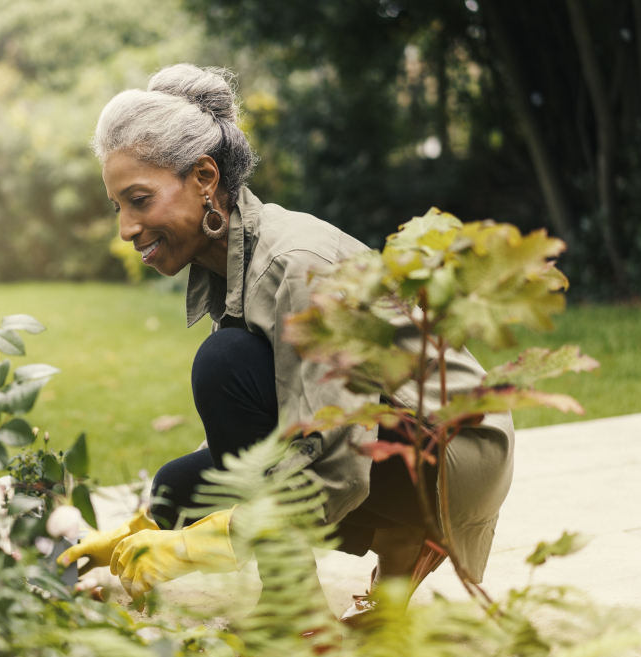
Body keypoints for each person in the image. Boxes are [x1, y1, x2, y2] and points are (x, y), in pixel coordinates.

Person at [59, 64, 514, 624]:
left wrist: (198, 546)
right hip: (391, 438)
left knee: (223, 364)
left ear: (204, 178)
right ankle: (402, 540)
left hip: (453, 452)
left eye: (139, 200)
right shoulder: (228, 259)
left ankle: (295, 611)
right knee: (178, 489)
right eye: (118, 207)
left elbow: (339, 462)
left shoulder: (294, 264)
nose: (127, 228)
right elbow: (263, 430)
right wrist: (145, 532)